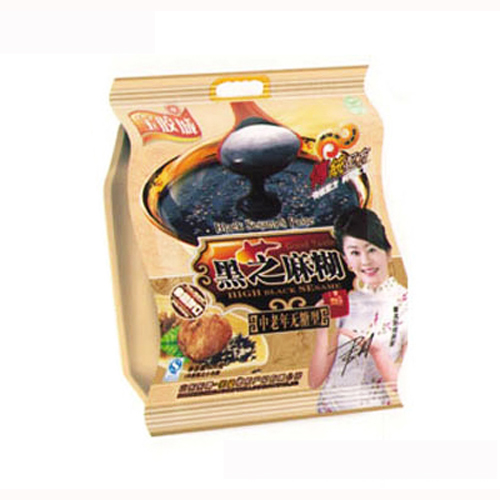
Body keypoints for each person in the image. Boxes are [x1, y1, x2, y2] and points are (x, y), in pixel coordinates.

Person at [308, 207, 408, 413]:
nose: (365, 261)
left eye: (371, 250)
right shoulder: (345, 302)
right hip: (328, 413)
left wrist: (378, 352)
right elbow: (315, 381)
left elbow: (407, 387)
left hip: (373, 415)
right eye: (355, 252)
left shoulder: (407, 304)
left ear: (388, 252)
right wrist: (322, 328)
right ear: (346, 260)